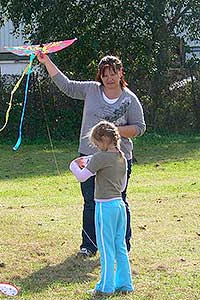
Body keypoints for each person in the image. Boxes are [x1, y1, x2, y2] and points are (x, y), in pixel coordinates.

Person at [38, 53, 146, 257]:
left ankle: (122, 244)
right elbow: (67, 85)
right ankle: (89, 245)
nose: (109, 79)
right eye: (105, 75)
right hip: (89, 155)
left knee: (118, 200)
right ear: (100, 76)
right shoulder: (91, 90)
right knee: (90, 201)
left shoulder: (129, 99)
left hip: (117, 158)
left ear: (120, 73)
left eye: (113, 74)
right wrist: (46, 61)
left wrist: (114, 130)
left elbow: (140, 128)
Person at [70, 120, 134, 295]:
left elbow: (82, 176)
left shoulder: (100, 157)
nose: (96, 147)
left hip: (105, 208)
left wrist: (74, 165)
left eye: (97, 144)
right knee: (119, 245)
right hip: (119, 206)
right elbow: (121, 187)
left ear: (104, 140)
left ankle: (105, 286)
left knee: (105, 248)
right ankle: (125, 283)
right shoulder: (122, 157)